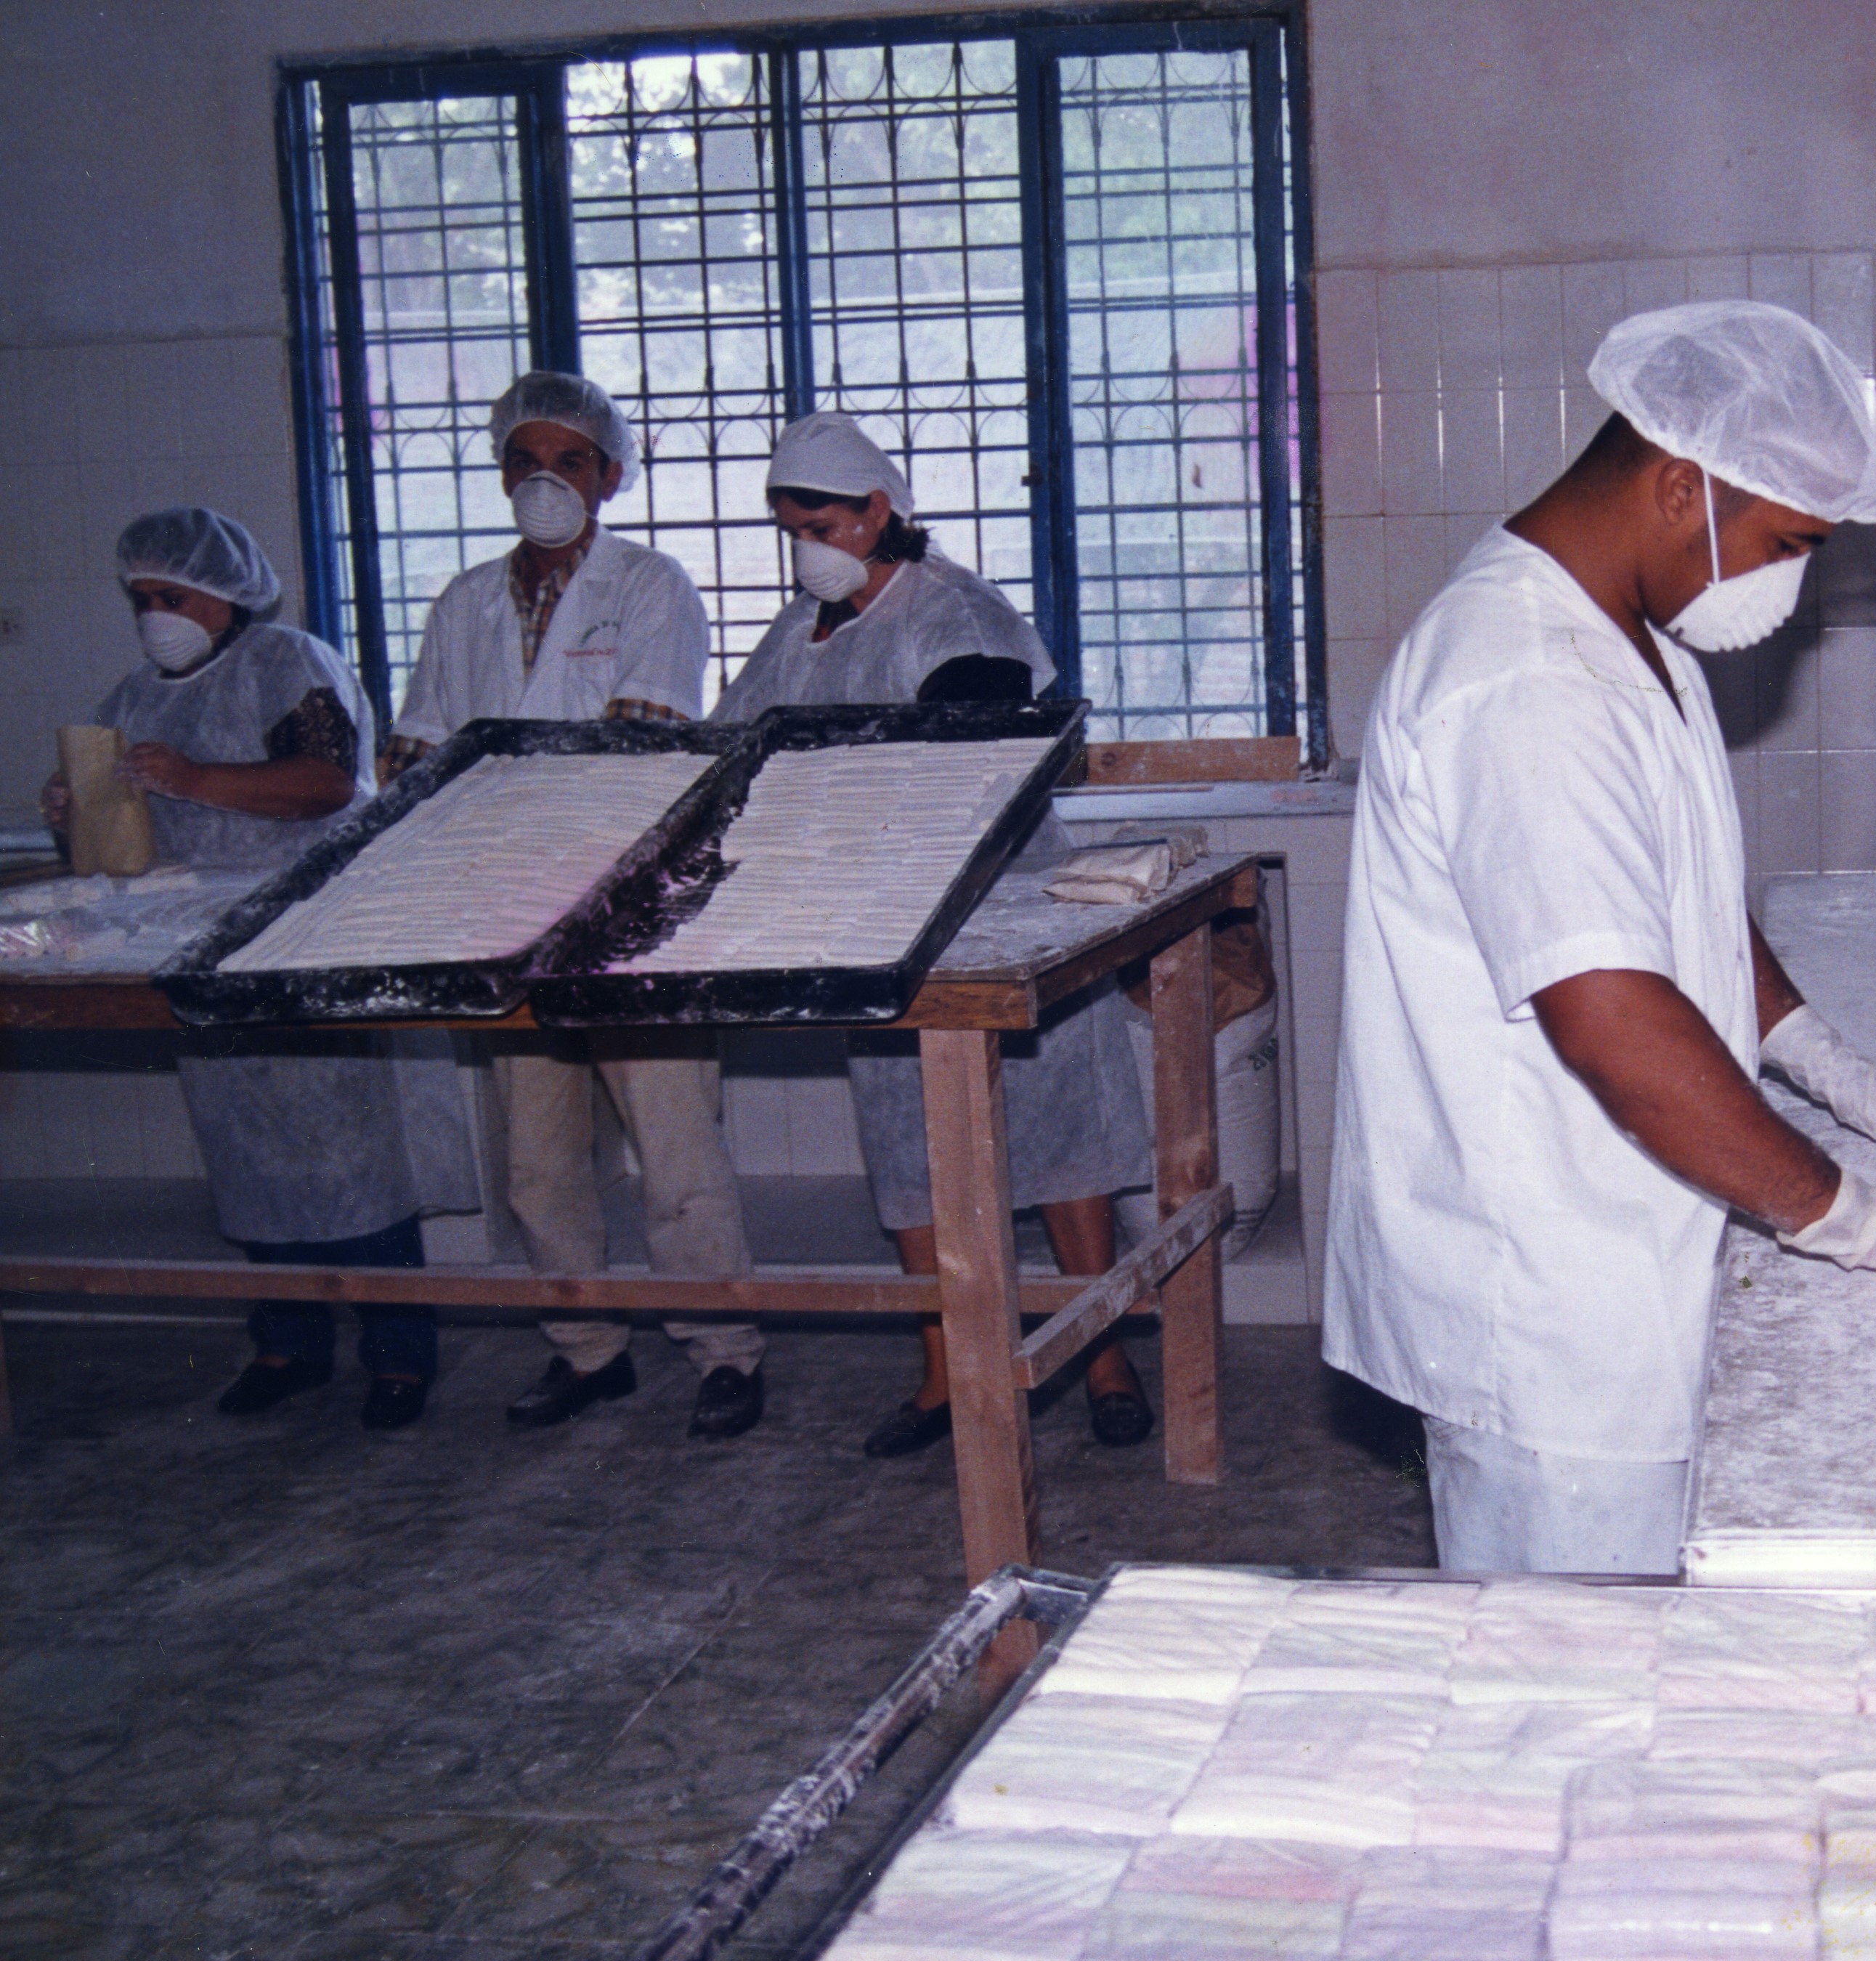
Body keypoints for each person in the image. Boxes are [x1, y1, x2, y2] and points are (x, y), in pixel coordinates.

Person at [1323, 301, 1876, 1576]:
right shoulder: (1526, 681)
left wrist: (1823, 1058)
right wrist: (1855, 1217)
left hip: (1618, 1261)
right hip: (1549, 1318)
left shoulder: (1625, 636)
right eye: (1788, 543)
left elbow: (1675, 902)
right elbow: (1615, 1022)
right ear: (1682, 486)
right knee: (1580, 1670)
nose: (1790, 581)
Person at [715, 412, 1159, 1460]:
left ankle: (1103, 1355)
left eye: (821, 524)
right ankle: (945, 1371)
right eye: (791, 530)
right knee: (908, 1149)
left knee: (1062, 1140)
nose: (807, 548)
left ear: (878, 511)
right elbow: (734, 742)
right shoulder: (799, 630)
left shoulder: (953, 609)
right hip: (880, 920)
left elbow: (975, 748)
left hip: (1004, 905)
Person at [397, 370, 767, 1441]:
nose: (545, 481)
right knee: (538, 1158)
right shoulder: (465, 602)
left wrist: (495, 775)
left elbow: (639, 746)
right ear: (499, 473)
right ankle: (588, 1348)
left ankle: (724, 1351)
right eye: (525, 460)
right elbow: (418, 752)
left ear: (609, 476)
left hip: (626, 908)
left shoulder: (650, 586)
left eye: (570, 461)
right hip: (504, 911)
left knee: (675, 1149)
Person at [40, 508, 442, 1431]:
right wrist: (74, 811)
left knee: (347, 1155)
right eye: (142, 599)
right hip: (197, 953)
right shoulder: (131, 698)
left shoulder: (287, 663)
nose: (157, 616)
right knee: (247, 1153)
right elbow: (114, 842)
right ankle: (286, 1344)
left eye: (173, 597)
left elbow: (327, 783)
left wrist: (192, 778)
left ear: (227, 595)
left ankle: (398, 1354)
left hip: (300, 938)